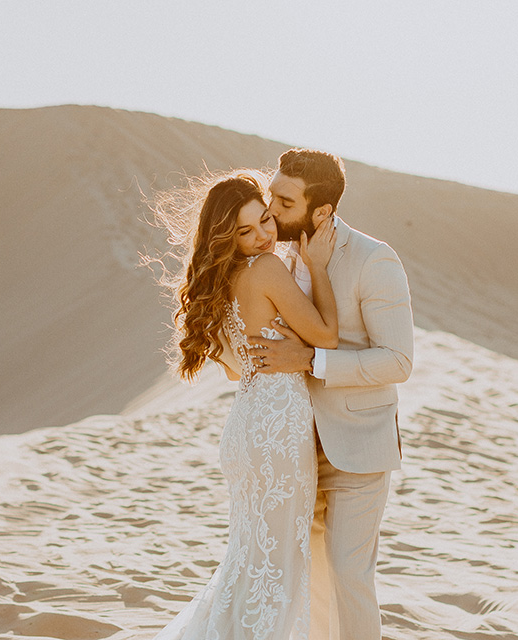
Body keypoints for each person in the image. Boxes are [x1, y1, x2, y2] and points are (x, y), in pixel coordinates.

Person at [150, 168, 338, 639]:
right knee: (278, 567)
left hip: (245, 427)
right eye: (245, 231)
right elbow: (328, 336)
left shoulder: (222, 281)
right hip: (277, 428)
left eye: (265, 223)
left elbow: (236, 368)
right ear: (226, 237)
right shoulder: (269, 269)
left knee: (249, 561)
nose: (262, 238)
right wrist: (317, 266)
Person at [247, 149, 414, 640]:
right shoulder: (268, 256)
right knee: (309, 578)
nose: (270, 209)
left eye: (284, 199)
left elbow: (398, 361)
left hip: (357, 447)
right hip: (291, 448)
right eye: (270, 194)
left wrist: (313, 361)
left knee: (348, 573)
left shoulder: (373, 259)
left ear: (322, 211)